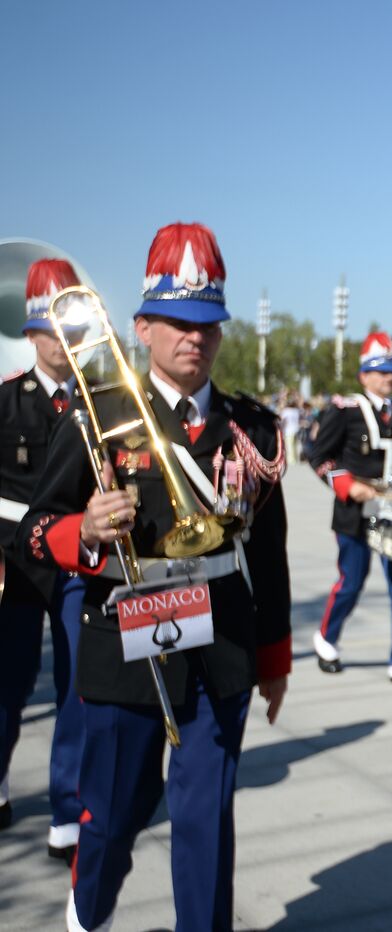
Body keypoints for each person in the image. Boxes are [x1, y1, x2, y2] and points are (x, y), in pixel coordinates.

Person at [21, 222, 291, 929]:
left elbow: (269, 551)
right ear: (141, 328)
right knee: (115, 814)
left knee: (206, 820)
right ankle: (89, 913)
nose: (194, 337)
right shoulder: (98, 415)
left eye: (207, 324)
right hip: (123, 642)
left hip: (221, 641)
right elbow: (34, 530)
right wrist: (85, 530)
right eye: (177, 322)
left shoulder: (252, 428)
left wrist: (274, 656)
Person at [0, 259, 89, 859]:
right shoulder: (6, 401)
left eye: (72, 329)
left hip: (78, 561)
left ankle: (68, 810)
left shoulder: (100, 403)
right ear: (32, 334)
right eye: (53, 330)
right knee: (8, 683)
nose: (63, 341)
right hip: (13, 564)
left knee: (78, 685)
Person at [308, 334, 392, 688]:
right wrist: (346, 486)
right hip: (354, 509)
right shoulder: (345, 411)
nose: (389, 377)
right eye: (381, 371)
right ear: (364, 375)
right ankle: (327, 639)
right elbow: (319, 456)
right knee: (352, 582)